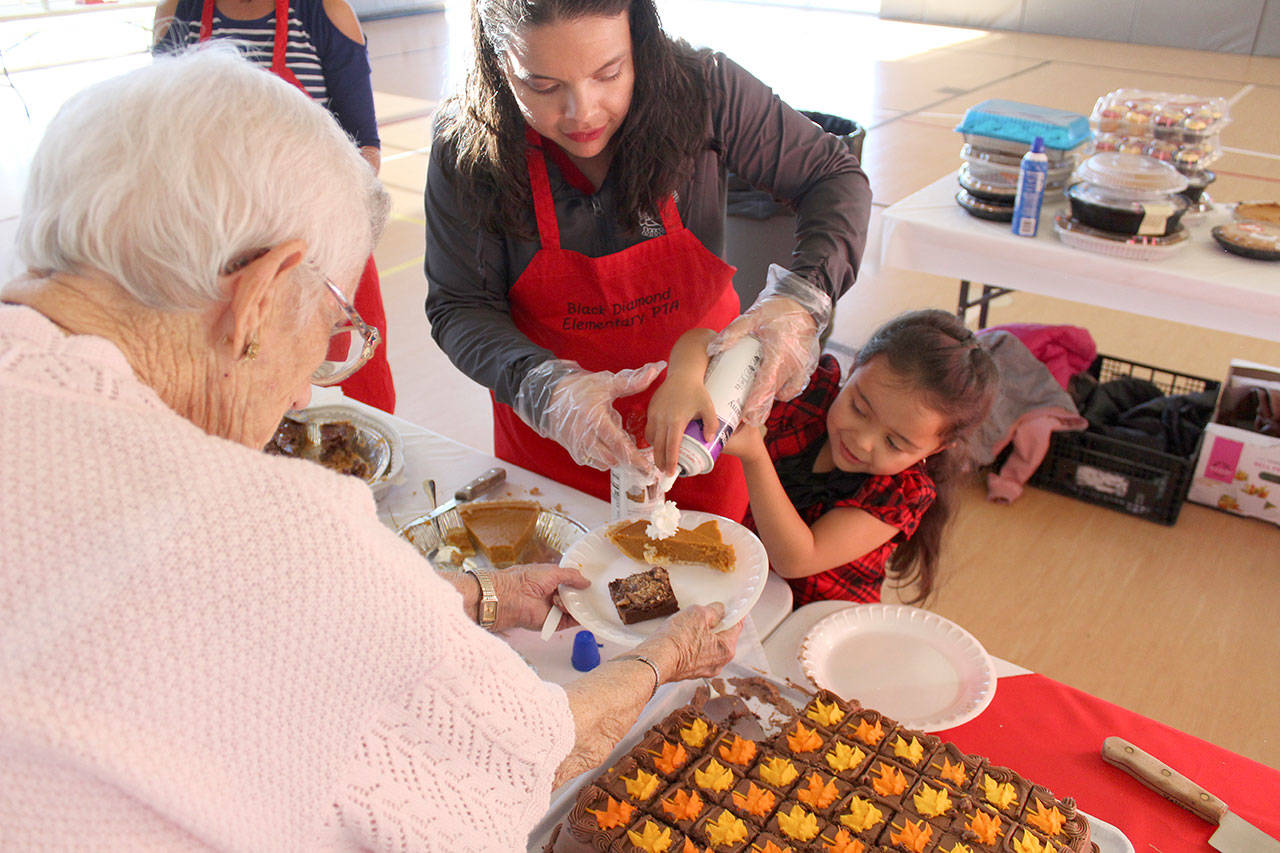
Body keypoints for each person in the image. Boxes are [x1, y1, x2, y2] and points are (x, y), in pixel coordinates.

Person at [0, 48, 741, 849]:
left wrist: (477, 597)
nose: (297, 396)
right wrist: (664, 657)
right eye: (327, 330)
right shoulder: (274, 534)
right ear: (258, 296)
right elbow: (528, 753)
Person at [424, 0, 871, 521]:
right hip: (552, 453)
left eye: (609, 73)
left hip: (700, 433)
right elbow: (460, 305)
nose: (583, 112)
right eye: (542, 86)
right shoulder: (469, 147)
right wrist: (543, 389)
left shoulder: (704, 92)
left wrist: (803, 296)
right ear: (498, 64)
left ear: (640, 41)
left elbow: (832, 176)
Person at [647, 310, 998, 606]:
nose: (862, 441)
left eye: (894, 442)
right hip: (747, 587)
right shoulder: (810, 391)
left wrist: (756, 456)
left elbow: (796, 558)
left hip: (818, 621)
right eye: (859, 407)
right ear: (856, 366)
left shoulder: (902, 494)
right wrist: (685, 378)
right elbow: (707, 341)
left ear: (934, 450)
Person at [153, 0, 397, 413]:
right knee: (228, 403)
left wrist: (292, 214)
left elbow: (366, 152)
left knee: (340, 409)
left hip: (319, 255)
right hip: (216, 262)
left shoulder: (326, 14)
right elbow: (165, 140)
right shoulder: (178, 13)